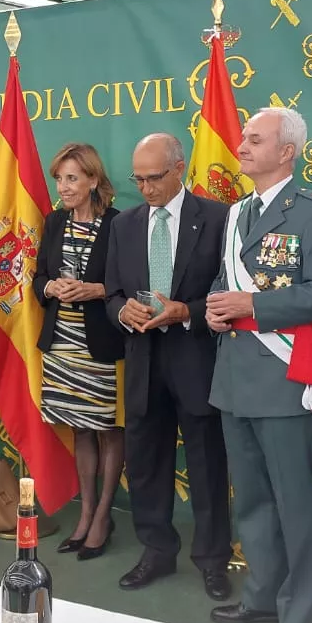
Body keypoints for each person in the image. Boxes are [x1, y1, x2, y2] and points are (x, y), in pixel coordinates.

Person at [205, 107, 312, 623]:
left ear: (286, 151)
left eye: (254, 139)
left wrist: (253, 306)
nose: (241, 146)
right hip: (234, 376)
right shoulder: (236, 212)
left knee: (294, 502)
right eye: (243, 137)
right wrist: (215, 308)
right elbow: (225, 282)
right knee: (253, 498)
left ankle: (297, 610)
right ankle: (261, 594)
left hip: (286, 375)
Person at [103, 133, 233, 599]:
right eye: (137, 179)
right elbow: (112, 291)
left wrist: (187, 312)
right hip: (143, 361)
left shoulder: (218, 218)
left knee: (207, 464)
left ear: (179, 168)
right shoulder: (125, 225)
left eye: (154, 177)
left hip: (195, 358)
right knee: (146, 464)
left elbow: (228, 291)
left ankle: (214, 559)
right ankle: (156, 550)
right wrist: (122, 311)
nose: (146, 188)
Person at [33, 143, 125, 561]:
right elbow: (39, 279)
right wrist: (51, 287)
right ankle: (85, 513)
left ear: (93, 180)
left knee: (108, 429)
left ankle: (104, 516)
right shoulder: (54, 223)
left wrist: (95, 289)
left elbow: (131, 284)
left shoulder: (119, 225)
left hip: (102, 345)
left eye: (72, 178)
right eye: (59, 179)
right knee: (80, 428)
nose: (63, 187)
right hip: (62, 346)